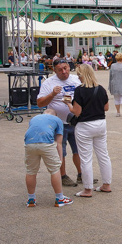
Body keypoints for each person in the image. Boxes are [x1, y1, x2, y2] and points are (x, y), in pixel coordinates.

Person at [35, 58, 83, 187]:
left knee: (79, 150)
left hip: (76, 121)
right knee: (60, 151)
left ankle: (81, 174)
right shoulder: (48, 83)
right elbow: (40, 103)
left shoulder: (76, 79)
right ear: (54, 70)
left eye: (66, 68)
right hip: (58, 123)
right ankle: (63, 176)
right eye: (60, 69)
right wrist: (52, 94)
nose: (64, 72)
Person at [69, 65, 112, 197]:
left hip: (85, 126)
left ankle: (88, 189)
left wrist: (68, 105)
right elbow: (106, 107)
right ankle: (106, 184)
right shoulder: (100, 89)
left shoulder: (79, 90)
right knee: (103, 155)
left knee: (86, 158)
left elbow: (77, 112)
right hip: (100, 123)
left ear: (82, 75)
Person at [23, 108, 72, 207]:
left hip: (29, 143)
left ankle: (31, 199)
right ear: (55, 115)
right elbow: (59, 143)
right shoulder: (57, 120)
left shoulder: (34, 118)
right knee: (54, 170)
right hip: (46, 143)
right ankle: (59, 198)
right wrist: (60, 159)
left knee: (31, 171)